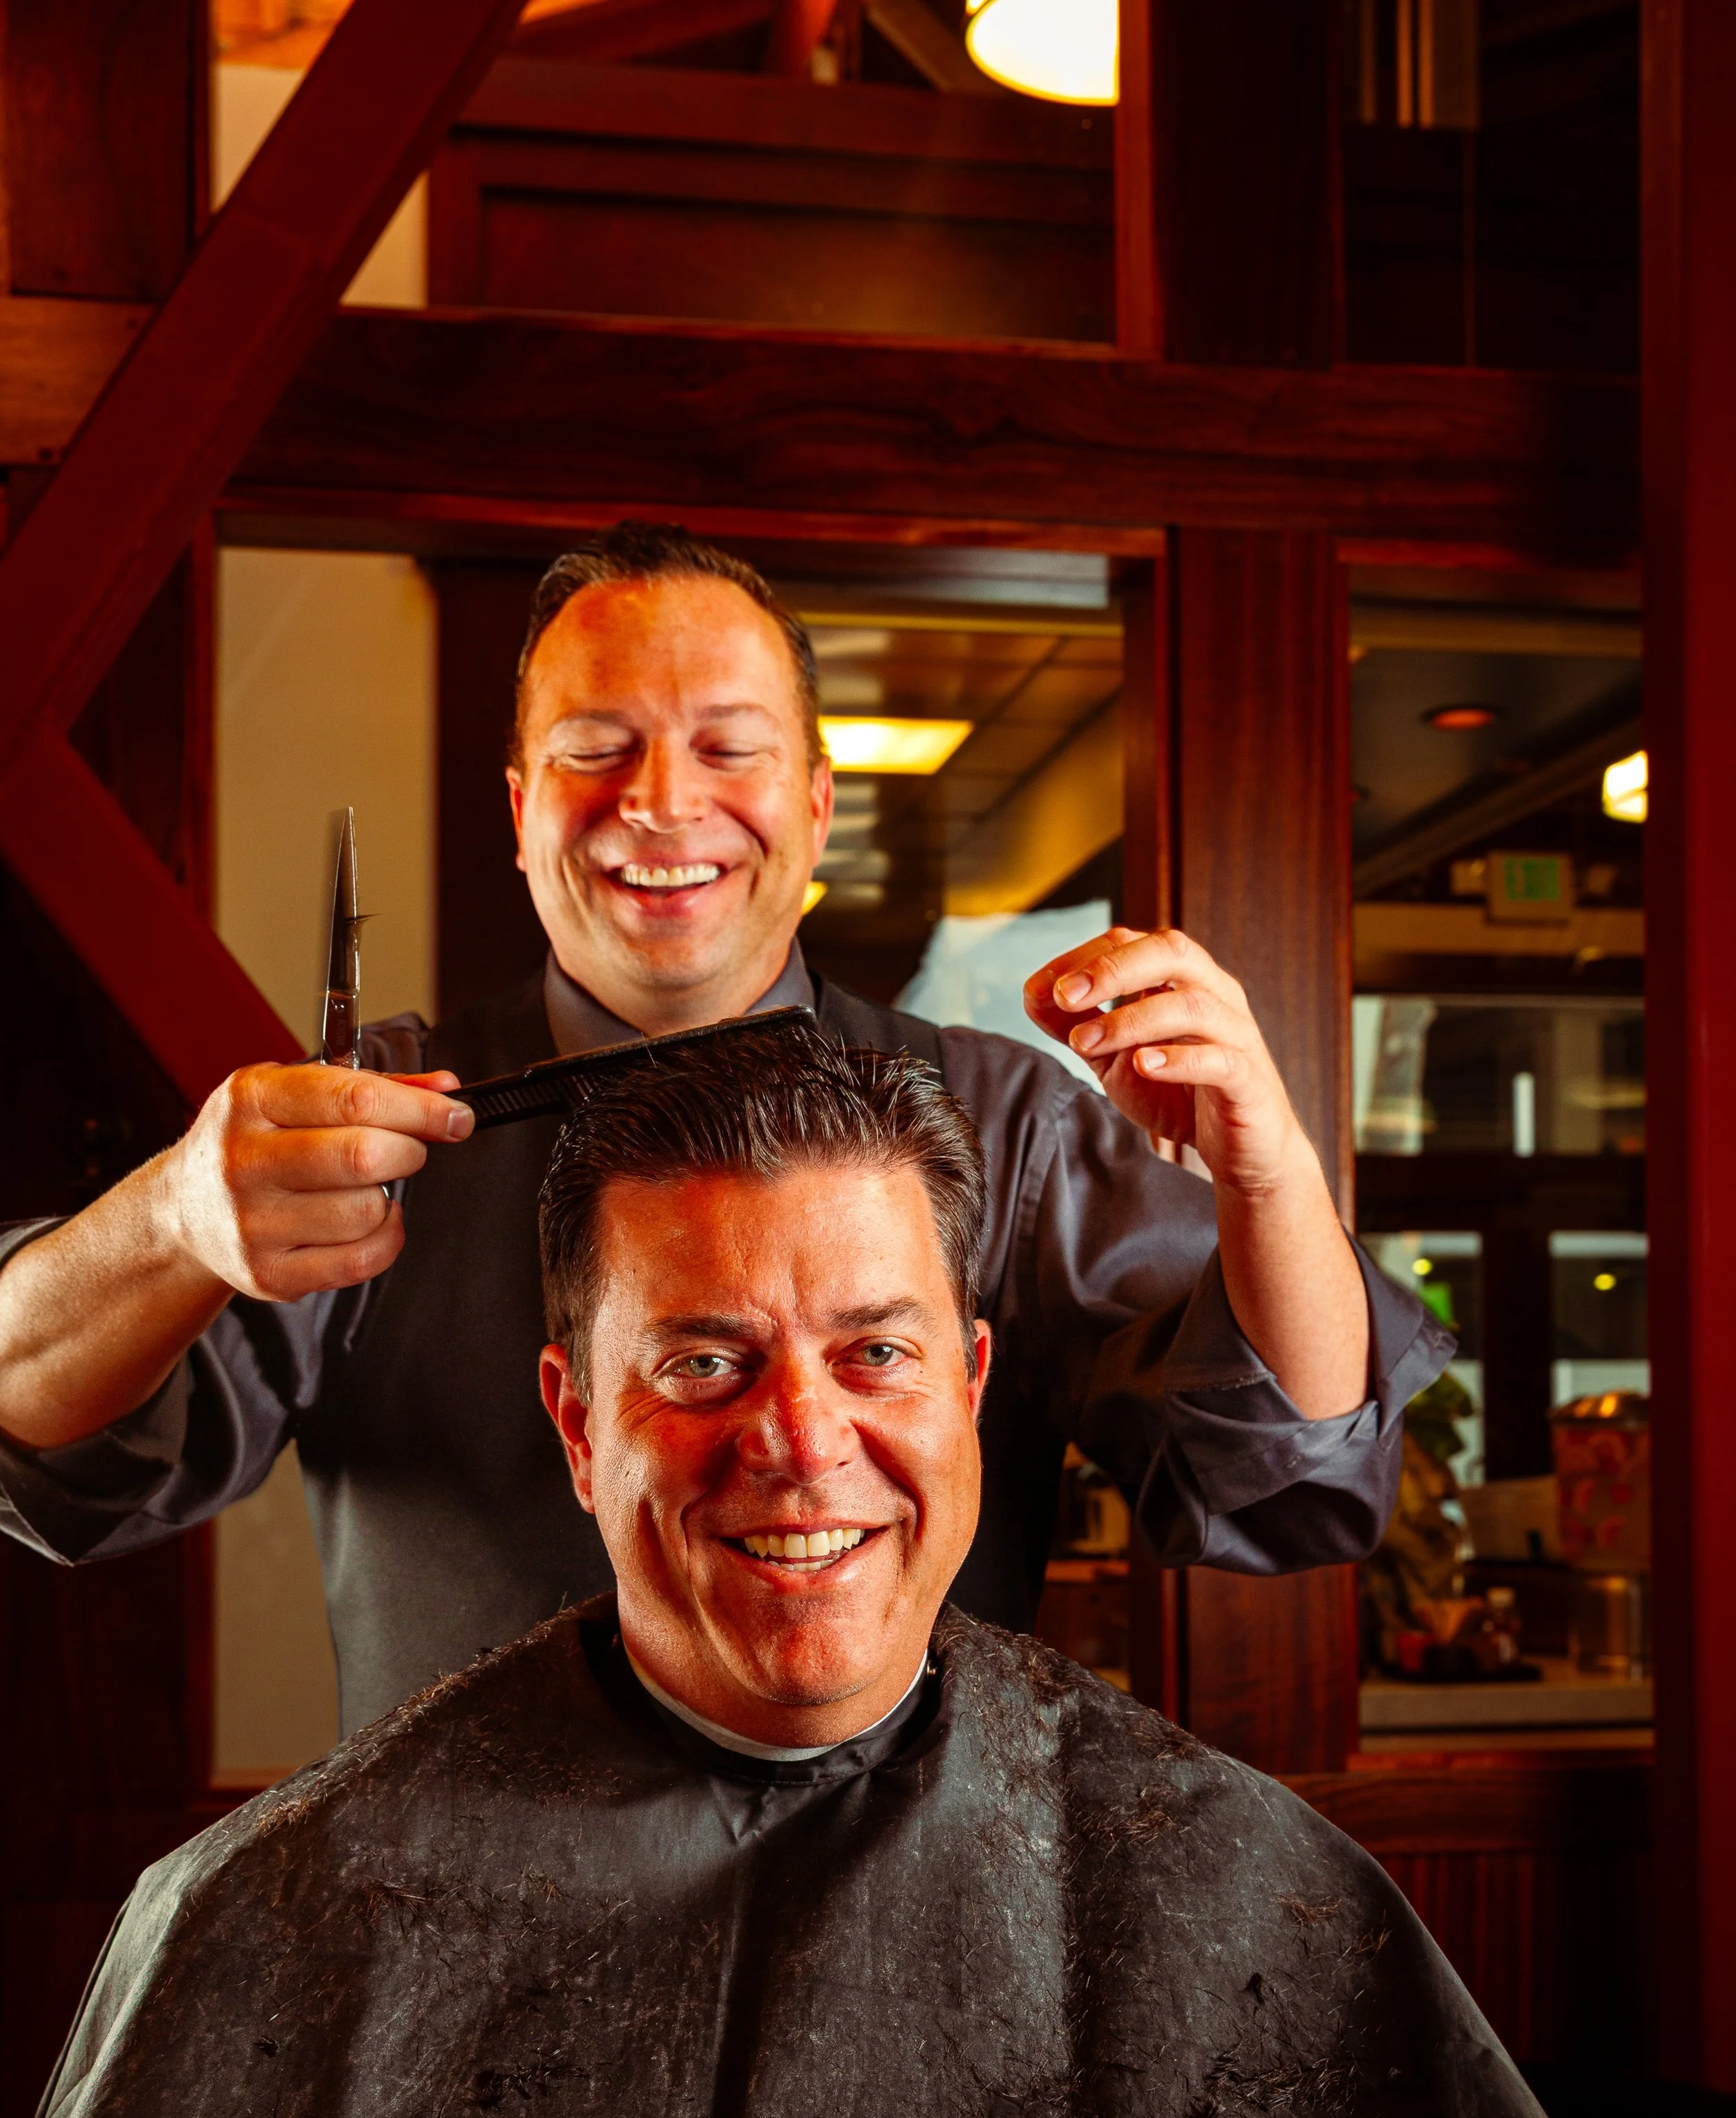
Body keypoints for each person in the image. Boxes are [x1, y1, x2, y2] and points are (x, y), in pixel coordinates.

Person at [0, 1024, 1726, 2118]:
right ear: (575, 1424)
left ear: (973, 1386)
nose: (801, 1440)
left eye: (873, 1352)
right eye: (700, 1364)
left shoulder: (1237, 1896)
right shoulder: (279, 1928)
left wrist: (1267, 1170)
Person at [0, 524, 1449, 1735]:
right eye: (595, 748)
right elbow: (48, 1467)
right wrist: (177, 1220)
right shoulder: (362, 1132)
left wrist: (1270, 1169)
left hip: (915, 1943)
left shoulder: (1000, 1122)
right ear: (518, 814)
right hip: (464, 1954)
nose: (663, 800)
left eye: (726, 747)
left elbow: (1289, 1481)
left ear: (816, 813)